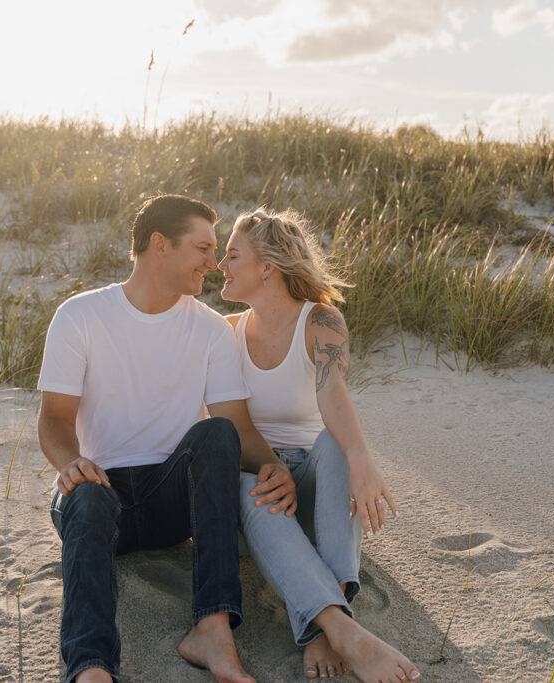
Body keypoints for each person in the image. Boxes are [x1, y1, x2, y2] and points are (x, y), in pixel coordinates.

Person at [37, 195, 298, 683]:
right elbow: (53, 417)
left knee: (215, 431)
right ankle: (91, 668)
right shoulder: (81, 316)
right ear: (159, 244)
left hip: (170, 503)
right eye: (202, 248)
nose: (213, 262)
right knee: (88, 495)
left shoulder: (210, 330)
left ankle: (213, 629)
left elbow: (236, 428)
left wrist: (274, 464)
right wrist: (70, 463)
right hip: (98, 501)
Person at [219, 209, 422, 682]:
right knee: (249, 481)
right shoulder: (224, 331)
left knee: (334, 442)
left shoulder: (321, 322)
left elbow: (334, 395)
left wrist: (362, 459)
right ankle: (334, 632)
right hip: (261, 497)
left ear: (267, 266)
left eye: (232, 255)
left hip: (314, 489)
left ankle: (327, 622)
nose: (220, 265)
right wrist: (272, 469)